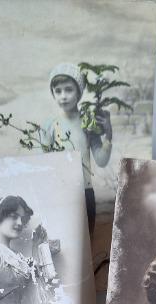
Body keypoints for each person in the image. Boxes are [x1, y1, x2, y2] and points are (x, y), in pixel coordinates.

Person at [41, 63, 112, 237]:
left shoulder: (87, 123)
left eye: (68, 90)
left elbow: (102, 161)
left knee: (88, 238)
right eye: (58, 91)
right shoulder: (49, 126)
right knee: (64, 237)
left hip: (85, 192)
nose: (63, 96)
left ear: (79, 92)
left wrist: (108, 135)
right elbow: (45, 165)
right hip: (60, 192)